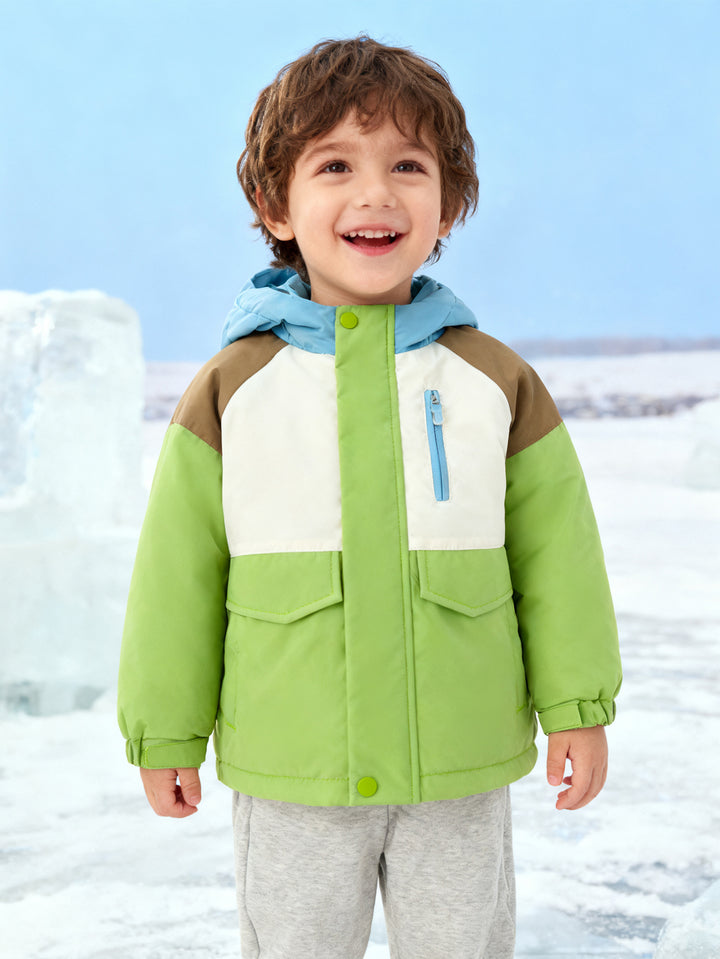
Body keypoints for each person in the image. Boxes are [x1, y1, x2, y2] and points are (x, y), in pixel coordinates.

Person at [117, 35, 622, 959]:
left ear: (449, 202)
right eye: (335, 165)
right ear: (275, 203)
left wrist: (578, 705)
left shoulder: (494, 380)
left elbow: (559, 558)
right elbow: (176, 576)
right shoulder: (234, 387)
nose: (376, 194)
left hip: (459, 760)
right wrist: (165, 728)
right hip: (295, 763)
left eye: (409, 166)